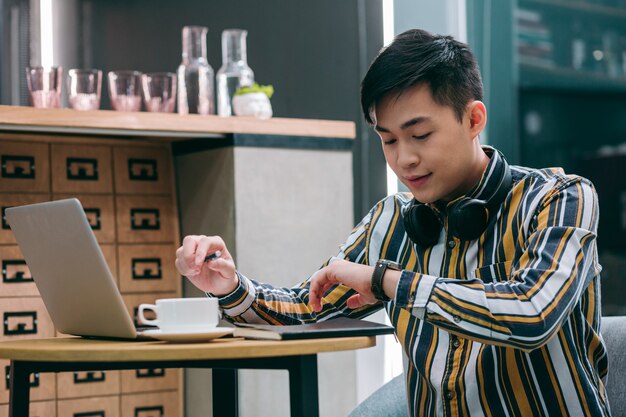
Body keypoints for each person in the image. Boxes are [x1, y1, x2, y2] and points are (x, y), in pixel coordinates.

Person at [175, 29, 610, 416]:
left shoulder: (560, 198)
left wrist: (387, 280)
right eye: (389, 140)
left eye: (420, 135)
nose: (405, 159)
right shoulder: (392, 220)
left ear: (474, 119)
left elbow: (532, 311)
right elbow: (306, 309)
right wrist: (230, 286)